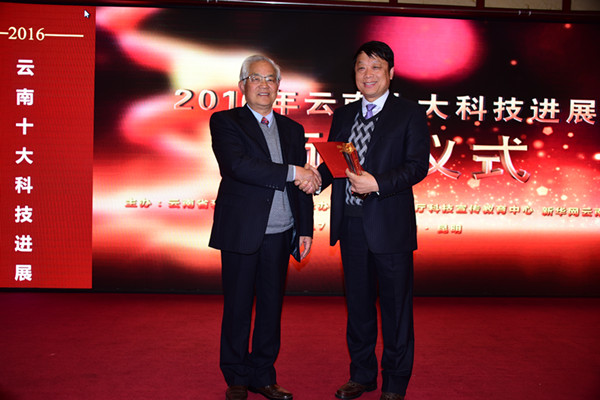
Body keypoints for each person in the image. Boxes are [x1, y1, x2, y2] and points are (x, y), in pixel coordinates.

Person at [314, 41, 430, 400]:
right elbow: (335, 163)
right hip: (350, 225)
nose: (368, 74)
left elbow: (417, 166)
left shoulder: (409, 113)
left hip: (390, 227)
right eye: (361, 67)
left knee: (396, 310)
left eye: (376, 67)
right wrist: (314, 177)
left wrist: (378, 183)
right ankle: (362, 375)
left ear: (390, 73)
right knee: (359, 308)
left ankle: (395, 384)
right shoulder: (344, 115)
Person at [209, 55, 320, 400]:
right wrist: (294, 171)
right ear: (242, 85)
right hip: (242, 230)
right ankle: (237, 377)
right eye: (255, 78)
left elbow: (301, 184)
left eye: (270, 79)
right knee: (238, 306)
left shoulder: (292, 129)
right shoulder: (226, 121)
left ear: (278, 87)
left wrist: (305, 228)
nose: (263, 85)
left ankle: (263, 375)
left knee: (271, 308)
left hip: (281, 232)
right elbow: (238, 165)